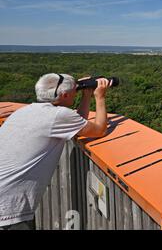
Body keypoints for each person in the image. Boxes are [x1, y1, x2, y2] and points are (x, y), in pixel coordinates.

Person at [0, 73, 112, 230]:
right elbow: (99, 130)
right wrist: (100, 97)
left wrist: (86, 96)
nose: (76, 91)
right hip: (7, 208)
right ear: (65, 95)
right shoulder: (58, 115)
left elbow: (77, 124)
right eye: (75, 90)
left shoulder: (26, 111)